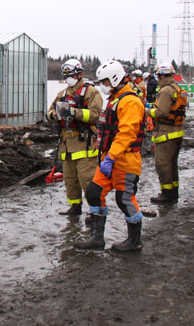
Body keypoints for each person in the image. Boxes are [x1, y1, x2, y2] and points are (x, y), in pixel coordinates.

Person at [74, 60, 145, 252]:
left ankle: (134, 240)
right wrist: (106, 157)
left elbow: (126, 134)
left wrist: (111, 157)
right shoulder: (115, 98)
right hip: (109, 159)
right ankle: (97, 238)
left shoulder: (130, 101)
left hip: (125, 160)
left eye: (105, 82)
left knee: (125, 199)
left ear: (114, 78)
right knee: (94, 193)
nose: (104, 87)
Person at [46, 59, 103, 216]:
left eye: (70, 75)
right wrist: (54, 115)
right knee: (70, 180)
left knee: (87, 180)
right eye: (66, 76)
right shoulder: (62, 94)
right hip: (66, 144)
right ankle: (75, 206)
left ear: (79, 74)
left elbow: (95, 115)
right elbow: (48, 112)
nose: (68, 79)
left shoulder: (91, 92)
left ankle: (95, 213)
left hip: (84, 144)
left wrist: (73, 112)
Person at [146, 63, 188, 203]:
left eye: (158, 76)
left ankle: (166, 193)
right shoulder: (177, 88)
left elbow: (161, 112)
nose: (157, 79)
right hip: (177, 132)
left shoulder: (165, 91)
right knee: (172, 164)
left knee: (162, 163)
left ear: (163, 75)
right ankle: (173, 191)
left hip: (166, 133)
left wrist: (146, 111)